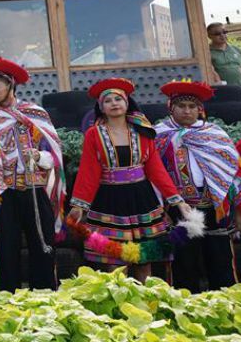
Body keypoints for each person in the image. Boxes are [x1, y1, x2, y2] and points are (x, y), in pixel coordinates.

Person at [68, 78, 192, 283]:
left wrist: (177, 200)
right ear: (101, 107)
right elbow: (88, 171)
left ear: (127, 103)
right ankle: (117, 299)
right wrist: (79, 205)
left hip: (141, 198)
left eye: (118, 99)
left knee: (144, 261)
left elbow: (156, 170)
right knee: (115, 264)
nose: (114, 104)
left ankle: (146, 300)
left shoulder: (142, 132)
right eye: (108, 101)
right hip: (110, 200)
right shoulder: (94, 135)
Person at [0, 57, 64, 291]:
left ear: (11, 84)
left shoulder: (35, 114)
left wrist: (38, 156)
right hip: (5, 193)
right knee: (6, 248)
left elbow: (54, 154)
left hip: (35, 189)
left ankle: (45, 297)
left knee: (42, 244)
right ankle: (7, 299)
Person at [154, 79, 241, 291]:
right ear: (171, 108)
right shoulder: (159, 136)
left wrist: (239, 209)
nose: (187, 111)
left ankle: (226, 303)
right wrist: (161, 209)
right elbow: (153, 174)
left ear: (200, 109)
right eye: (181, 106)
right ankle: (186, 305)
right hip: (178, 208)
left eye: (192, 106)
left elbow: (232, 171)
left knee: (220, 260)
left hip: (214, 206)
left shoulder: (215, 135)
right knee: (183, 263)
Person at [207, 23, 241, 94]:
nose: (222, 35)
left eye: (224, 32)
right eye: (217, 33)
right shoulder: (207, 53)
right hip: (222, 93)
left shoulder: (237, 50)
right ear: (209, 36)